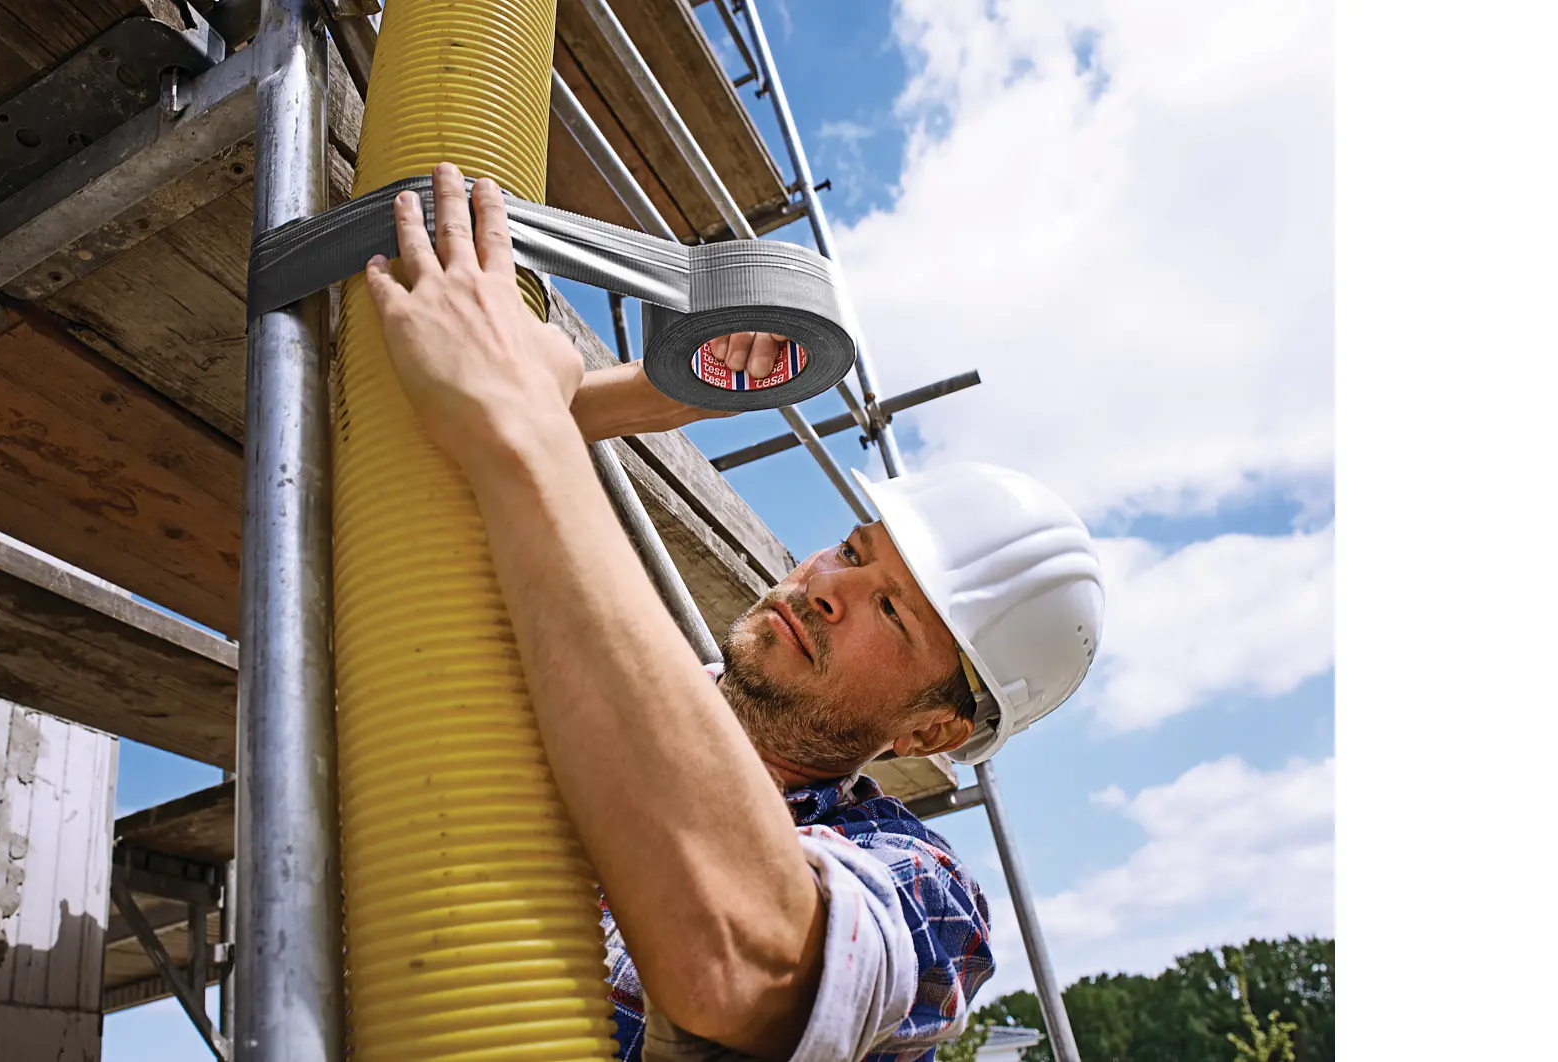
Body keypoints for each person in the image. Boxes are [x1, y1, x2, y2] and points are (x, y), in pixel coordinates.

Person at [361, 163, 1106, 1062]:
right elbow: (429, 447)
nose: (826, 586)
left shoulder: (926, 892)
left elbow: (740, 964)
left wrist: (531, 427)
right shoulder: (583, 664)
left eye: (894, 614)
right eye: (854, 551)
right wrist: (663, 392)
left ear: (932, 733)